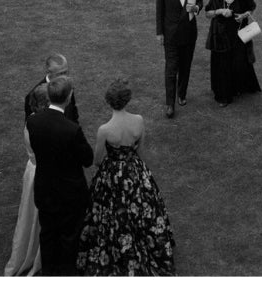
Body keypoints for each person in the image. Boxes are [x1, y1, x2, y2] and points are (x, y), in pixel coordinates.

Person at [77, 79, 175, 276]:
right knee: (142, 209)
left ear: (109, 101)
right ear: (127, 99)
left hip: (112, 176)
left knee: (110, 213)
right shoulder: (138, 120)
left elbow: (96, 160)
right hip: (135, 170)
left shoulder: (104, 130)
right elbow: (142, 150)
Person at [26, 75, 93, 276]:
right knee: (69, 238)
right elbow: (88, 159)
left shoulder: (33, 122)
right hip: (69, 194)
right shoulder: (71, 130)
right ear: (68, 97)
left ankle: (48, 272)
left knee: (47, 234)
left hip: (45, 189)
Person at [4, 81, 48, 277]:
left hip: (32, 170)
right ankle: (36, 252)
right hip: (41, 171)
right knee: (36, 213)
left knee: (30, 213)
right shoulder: (39, 125)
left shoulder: (31, 121)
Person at [203, 0, 261, 107]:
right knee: (222, 65)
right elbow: (208, 13)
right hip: (220, 35)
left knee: (239, 62)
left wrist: (243, 16)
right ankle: (223, 95)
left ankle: (239, 88)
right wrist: (220, 11)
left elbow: (251, 8)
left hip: (238, 34)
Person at [155, 0, 203, 118]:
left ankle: (181, 94)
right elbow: (159, 10)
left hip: (189, 34)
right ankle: (170, 104)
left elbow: (200, 3)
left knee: (185, 67)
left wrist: (196, 8)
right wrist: (159, 32)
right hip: (171, 35)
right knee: (170, 69)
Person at [25, 52, 79, 123]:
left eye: (66, 72)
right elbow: (31, 124)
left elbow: (73, 109)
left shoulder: (66, 85)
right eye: (60, 73)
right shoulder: (34, 95)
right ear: (48, 71)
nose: (64, 77)